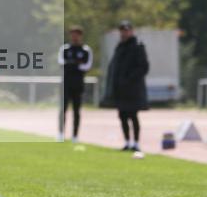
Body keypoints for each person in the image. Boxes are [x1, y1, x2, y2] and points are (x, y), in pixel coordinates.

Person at [103, 20, 149, 152]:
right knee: (122, 115)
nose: (124, 33)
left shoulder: (137, 47)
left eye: (127, 30)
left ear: (131, 31)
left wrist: (129, 79)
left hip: (133, 89)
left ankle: (136, 143)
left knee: (133, 115)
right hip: (120, 89)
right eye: (122, 30)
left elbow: (143, 67)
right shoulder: (120, 47)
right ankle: (127, 142)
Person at [58, 26, 93, 142]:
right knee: (63, 109)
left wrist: (72, 64)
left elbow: (86, 66)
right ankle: (61, 133)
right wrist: (75, 64)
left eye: (77, 34)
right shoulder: (65, 49)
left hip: (78, 84)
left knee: (77, 111)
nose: (75, 36)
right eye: (73, 34)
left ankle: (75, 135)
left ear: (80, 36)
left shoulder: (85, 50)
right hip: (66, 84)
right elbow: (61, 63)